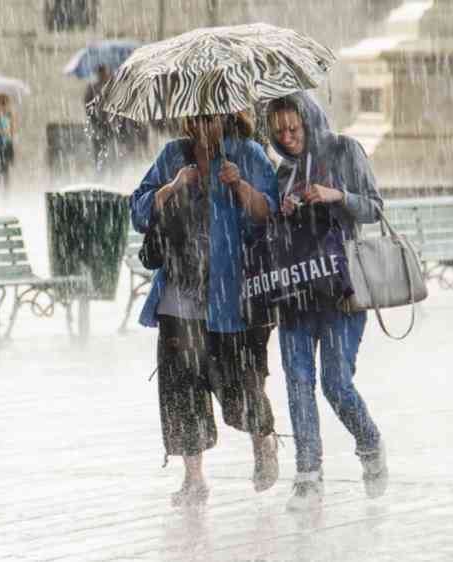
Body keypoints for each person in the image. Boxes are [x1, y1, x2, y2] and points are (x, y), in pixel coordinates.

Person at [130, 110, 281, 507]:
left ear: (227, 117)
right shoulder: (172, 155)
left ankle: (264, 442)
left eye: (211, 118)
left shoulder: (245, 153)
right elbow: (138, 210)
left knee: (238, 383)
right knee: (181, 390)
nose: (203, 127)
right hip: (178, 297)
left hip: (229, 296)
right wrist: (172, 186)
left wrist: (239, 186)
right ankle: (193, 479)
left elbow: (270, 212)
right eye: (196, 118)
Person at [265, 92, 388, 511]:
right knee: (298, 382)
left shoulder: (344, 150)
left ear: (309, 122)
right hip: (297, 292)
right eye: (279, 132)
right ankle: (308, 475)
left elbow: (374, 207)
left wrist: (337, 196)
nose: (287, 138)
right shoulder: (282, 172)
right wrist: (283, 211)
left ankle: (369, 443)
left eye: (293, 129)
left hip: (342, 290)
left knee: (336, 384)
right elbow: (277, 235)